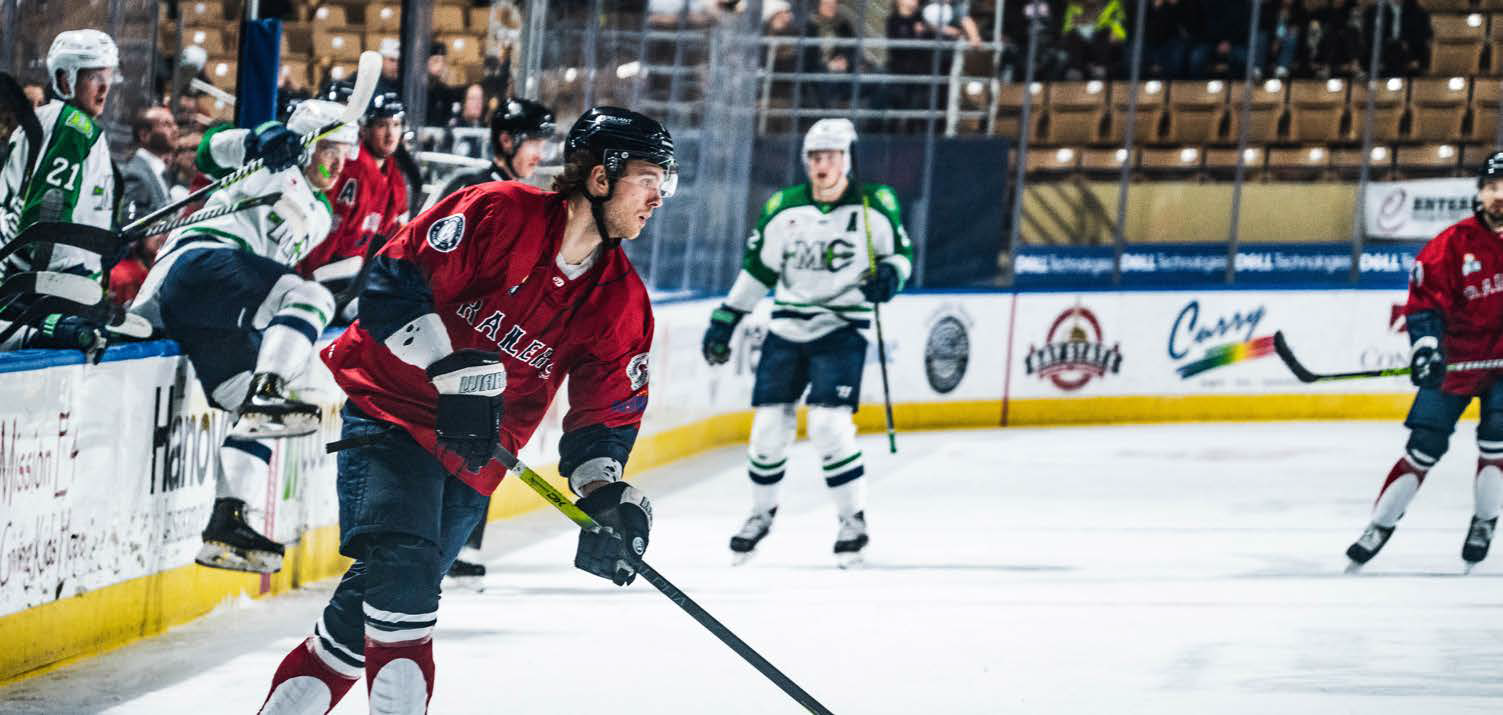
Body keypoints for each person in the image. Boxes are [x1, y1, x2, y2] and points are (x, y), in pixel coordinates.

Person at [255, 106, 675, 714]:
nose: (659, 196)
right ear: (602, 176)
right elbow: (392, 284)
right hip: (392, 413)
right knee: (404, 582)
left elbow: (602, 419)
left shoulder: (621, 300)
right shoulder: (495, 211)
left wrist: (605, 492)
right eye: (649, 178)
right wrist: (445, 367)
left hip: (476, 455)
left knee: (366, 612)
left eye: (666, 182)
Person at [130, 100, 357, 573]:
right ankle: (267, 388)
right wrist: (261, 138)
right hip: (196, 268)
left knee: (257, 417)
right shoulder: (269, 167)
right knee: (312, 299)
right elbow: (214, 150)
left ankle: (227, 520)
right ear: (308, 144)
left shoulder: (317, 213)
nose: (339, 162)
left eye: (346, 152)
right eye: (331, 148)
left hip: (216, 312)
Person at [700, 118, 912, 568]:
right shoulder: (784, 208)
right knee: (766, 433)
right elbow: (759, 271)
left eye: (832, 155)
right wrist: (727, 318)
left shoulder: (875, 203)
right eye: (815, 156)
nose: (822, 164)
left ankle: (852, 520)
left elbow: (900, 255)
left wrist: (890, 275)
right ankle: (760, 515)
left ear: (847, 159)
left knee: (829, 427)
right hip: (786, 330)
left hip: (842, 330)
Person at [1345, 152, 1503, 573]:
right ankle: (1381, 524)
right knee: (1423, 446)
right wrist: (1426, 348)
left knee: (1497, 439)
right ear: (1480, 192)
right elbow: (1424, 306)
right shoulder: (1452, 244)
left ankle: (1485, 521)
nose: (1499, 195)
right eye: (1491, 186)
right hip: (1456, 361)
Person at [424, 96, 556, 587]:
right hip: (450, 340)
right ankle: (433, 543)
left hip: (490, 340)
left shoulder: (525, 195)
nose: (541, 153)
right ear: (506, 140)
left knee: (484, 437)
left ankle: (458, 545)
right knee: (451, 439)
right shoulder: (470, 188)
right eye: (535, 142)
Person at [0, 29, 119, 278]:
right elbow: (45, 220)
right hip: (41, 286)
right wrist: (74, 275)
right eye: (94, 77)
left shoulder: (56, 122)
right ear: (66, 80)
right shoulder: (73, 126)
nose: (105, 87)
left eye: (109, 76)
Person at [298, 84, 410, 320]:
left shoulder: (397, 179)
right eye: (382, 124)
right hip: (308, 270)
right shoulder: (347, 165)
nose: (390, 134)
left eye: (396, 125)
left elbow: (395, 239)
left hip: (350, 280)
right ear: (365, 128)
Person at [119, 105, 180, 222]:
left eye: (174, 124)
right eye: (166, 124)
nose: (175, 129)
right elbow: (130, 221)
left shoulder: (157, 171)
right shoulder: (136, 174)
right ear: (144, 135)